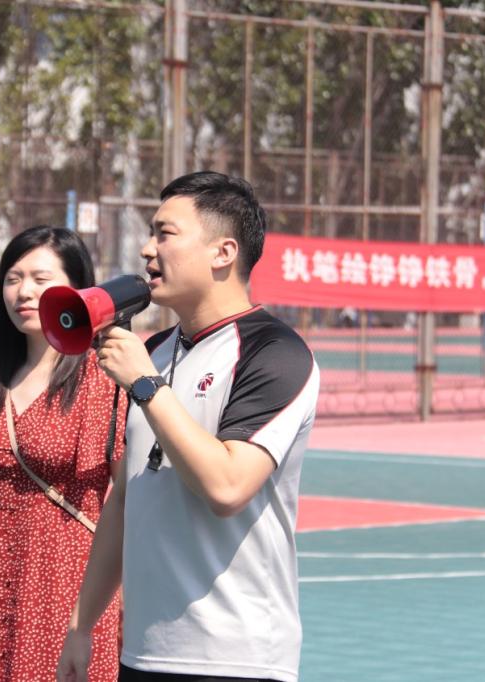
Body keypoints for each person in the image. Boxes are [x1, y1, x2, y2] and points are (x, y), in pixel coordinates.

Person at [57, 172, 320, 682]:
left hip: (236, 658)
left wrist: (147, 385)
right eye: (150, 234)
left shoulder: (275, 353)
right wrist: (82, 624)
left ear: (223, 252)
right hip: (143, 652)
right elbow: (125, 497)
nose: (146, 249)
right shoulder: (154, 352)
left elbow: (227, 487)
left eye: (165, 234)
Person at [0, 225, 126, 681]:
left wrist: (107, 600)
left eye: (41, 279)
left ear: (77, 289)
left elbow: (128, 498)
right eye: (12, 279)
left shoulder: (102, 377)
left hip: (71, 580)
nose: (24, 291)